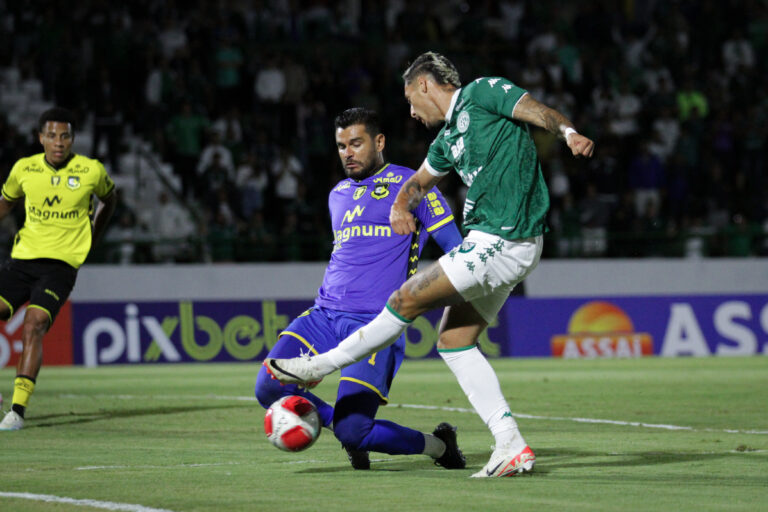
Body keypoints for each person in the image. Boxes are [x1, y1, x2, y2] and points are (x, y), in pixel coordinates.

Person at [265, 52, 595, 477]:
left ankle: (319, 365)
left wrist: (568, 132)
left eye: (410, 100)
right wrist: (400, 205)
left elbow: (537, 111)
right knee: (454, 341)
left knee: (403, 300)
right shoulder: (446, 142)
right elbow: (417, 183)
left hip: (502, 238)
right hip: (503, 243)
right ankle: (509, 443)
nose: (411, 112)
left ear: (424, 85)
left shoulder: (481, 93)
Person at [255, 107, 466, 470]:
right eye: (341, 146)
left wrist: (444, 298)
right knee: (268, 387)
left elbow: (457, 251)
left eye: (356, 143)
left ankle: (439, 446)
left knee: (355, 431)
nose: (347, 153)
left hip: (375, 323)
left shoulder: (413, 185)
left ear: (379, 142)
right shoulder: (337, 194)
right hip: (323, 316)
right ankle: (339, 426)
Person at [0, 107, 117, 430]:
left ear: (72, 139)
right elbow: (6, 202)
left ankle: (17, 411)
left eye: (65, 136)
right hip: (22, 260)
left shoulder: (91, 170)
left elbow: (110, 199)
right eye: (52, 135)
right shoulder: (24, 169)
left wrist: (94, 234)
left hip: (60, 267)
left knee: (34, 324)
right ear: (41, 138)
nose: (59, 142)